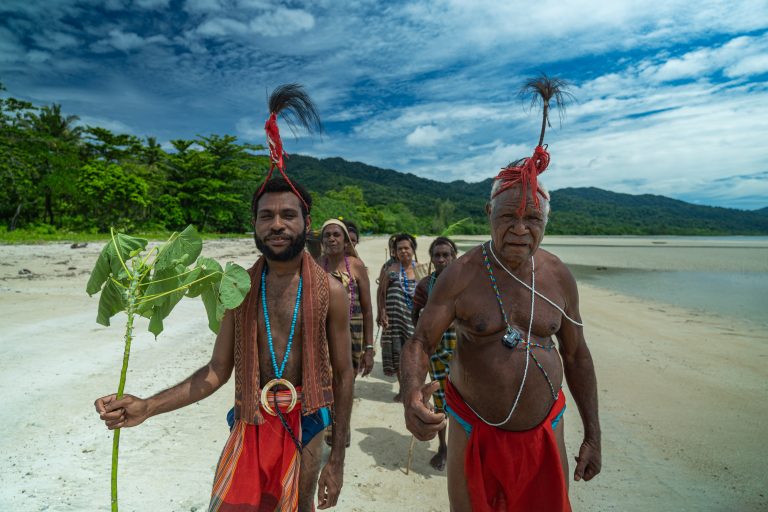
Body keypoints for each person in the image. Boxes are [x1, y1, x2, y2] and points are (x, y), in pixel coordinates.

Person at [95, 85, 355, 511]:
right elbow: (217, 371)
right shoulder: (237, 288)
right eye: (266, 216)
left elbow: (344, 377)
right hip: (250, 421)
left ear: (305, 224)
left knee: (297, 506)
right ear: (253, 225)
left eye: (288, 215)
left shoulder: (333, 293)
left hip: (307, 426)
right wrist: (147, 406)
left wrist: (338, 459)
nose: (277, 224)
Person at [401, 75, 600, 511]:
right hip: (474, 427)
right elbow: (419, 341)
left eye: (533, 219)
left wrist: (594, 435)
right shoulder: (461, 275)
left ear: (547, 222)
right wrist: (413, 394)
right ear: (490, 212)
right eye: (509, 216)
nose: (520, 230)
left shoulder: (558, 276)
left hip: (546, 427)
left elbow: (578, 355)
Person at [411, 236, 458, 471]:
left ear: (454, 257)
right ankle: (443, 447)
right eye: (437, 255)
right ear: (431, 259)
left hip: (463, 351)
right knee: (440, 400)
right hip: (437, 351)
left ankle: (465, 448)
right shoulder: (425, 284)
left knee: (467, 399)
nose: (441, 259)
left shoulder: (465, 283)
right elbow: (414, 313)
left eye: (446, 255)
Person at [319, 219, 375, 376]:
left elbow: (367, 309)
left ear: (345, 242)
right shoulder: (316, 265)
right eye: (327, 235)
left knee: (347, 377)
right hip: (322, 332)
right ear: (322, 241)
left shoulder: (356, 265)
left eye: (336, 235)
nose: (331, 238)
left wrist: (369, 348)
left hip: (353, 333)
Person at [378, 233, 428, 401]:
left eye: (407, 247)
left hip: (415, 321)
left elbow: (430, 295)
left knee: (415, 356)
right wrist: (382, 312)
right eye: (400, 249)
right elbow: (381, 293)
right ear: (395, 251)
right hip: (393, 321)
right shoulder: (389, 269)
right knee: (398, 355)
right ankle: (403, 390)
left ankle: (416, 391)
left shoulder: (422, 269)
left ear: (413, 249)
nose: (403, 251)